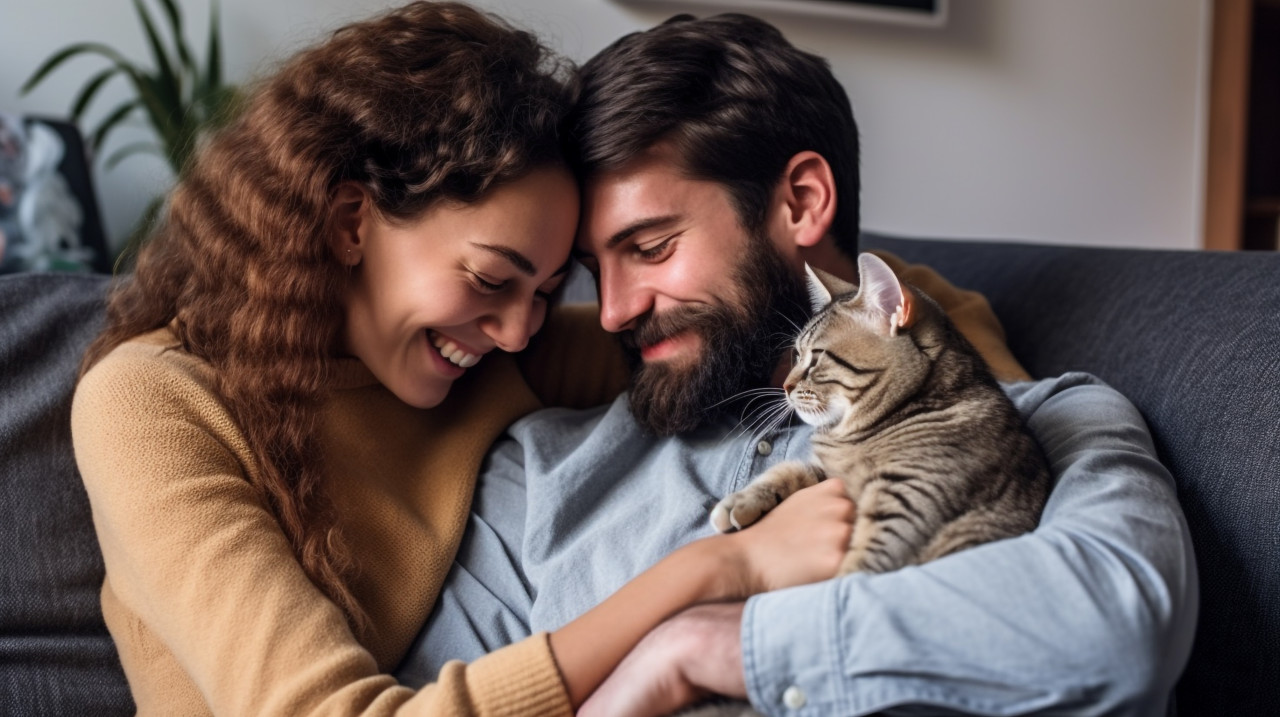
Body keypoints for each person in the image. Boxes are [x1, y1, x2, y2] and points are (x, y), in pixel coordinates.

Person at [397, 12, 1199, 717]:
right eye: (589, 270)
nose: (612, 311)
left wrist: (701, 650)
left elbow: (1121, 628)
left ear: (803, 203)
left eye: (649, 248)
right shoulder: (535, 473)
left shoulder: (1047, 425)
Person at [70, 4, 860, 715]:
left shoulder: (489, 354)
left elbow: (758, 316)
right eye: (490, 278)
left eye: (550, 290)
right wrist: (717, 570)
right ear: (352, 222)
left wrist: (928, 328)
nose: (519, 331)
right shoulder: (149, 403)